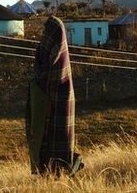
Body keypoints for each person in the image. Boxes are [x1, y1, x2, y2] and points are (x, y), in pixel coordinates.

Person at [26, 16, 83, 176]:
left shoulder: (59, 55)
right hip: (46, 107)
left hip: (60, 105)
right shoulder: (42, 53)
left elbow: (52, 78)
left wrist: (39, 83)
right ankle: (49, 175)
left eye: (47, 32)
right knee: (44, 143)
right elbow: (41, 73)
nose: (44, 36)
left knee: (60, 143)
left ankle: (64, 174)